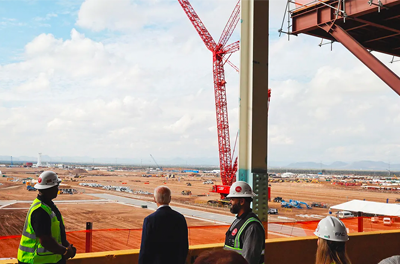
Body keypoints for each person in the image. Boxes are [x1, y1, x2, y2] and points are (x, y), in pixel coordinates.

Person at [18, 171, 76, 264]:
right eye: (56, 186)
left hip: (49, 260)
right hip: (34, 261)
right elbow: (45, 241)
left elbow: (57, 235)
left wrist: (68, 247)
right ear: (50, 188)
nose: (58, 188)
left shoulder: (48, 206)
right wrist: (65, 251)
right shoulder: (40, 211)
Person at [139, 186, 188, 264]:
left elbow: (145, 249)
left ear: (154, 199)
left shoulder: (149, 220)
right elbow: (184, 246)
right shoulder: (180, 218)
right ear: (170, 199)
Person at [224, 181, 265, 264]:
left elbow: (249, 260)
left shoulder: (252, 226)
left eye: (232, 199)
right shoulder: (238, 221)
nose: (230, 202)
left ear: (242, 201)